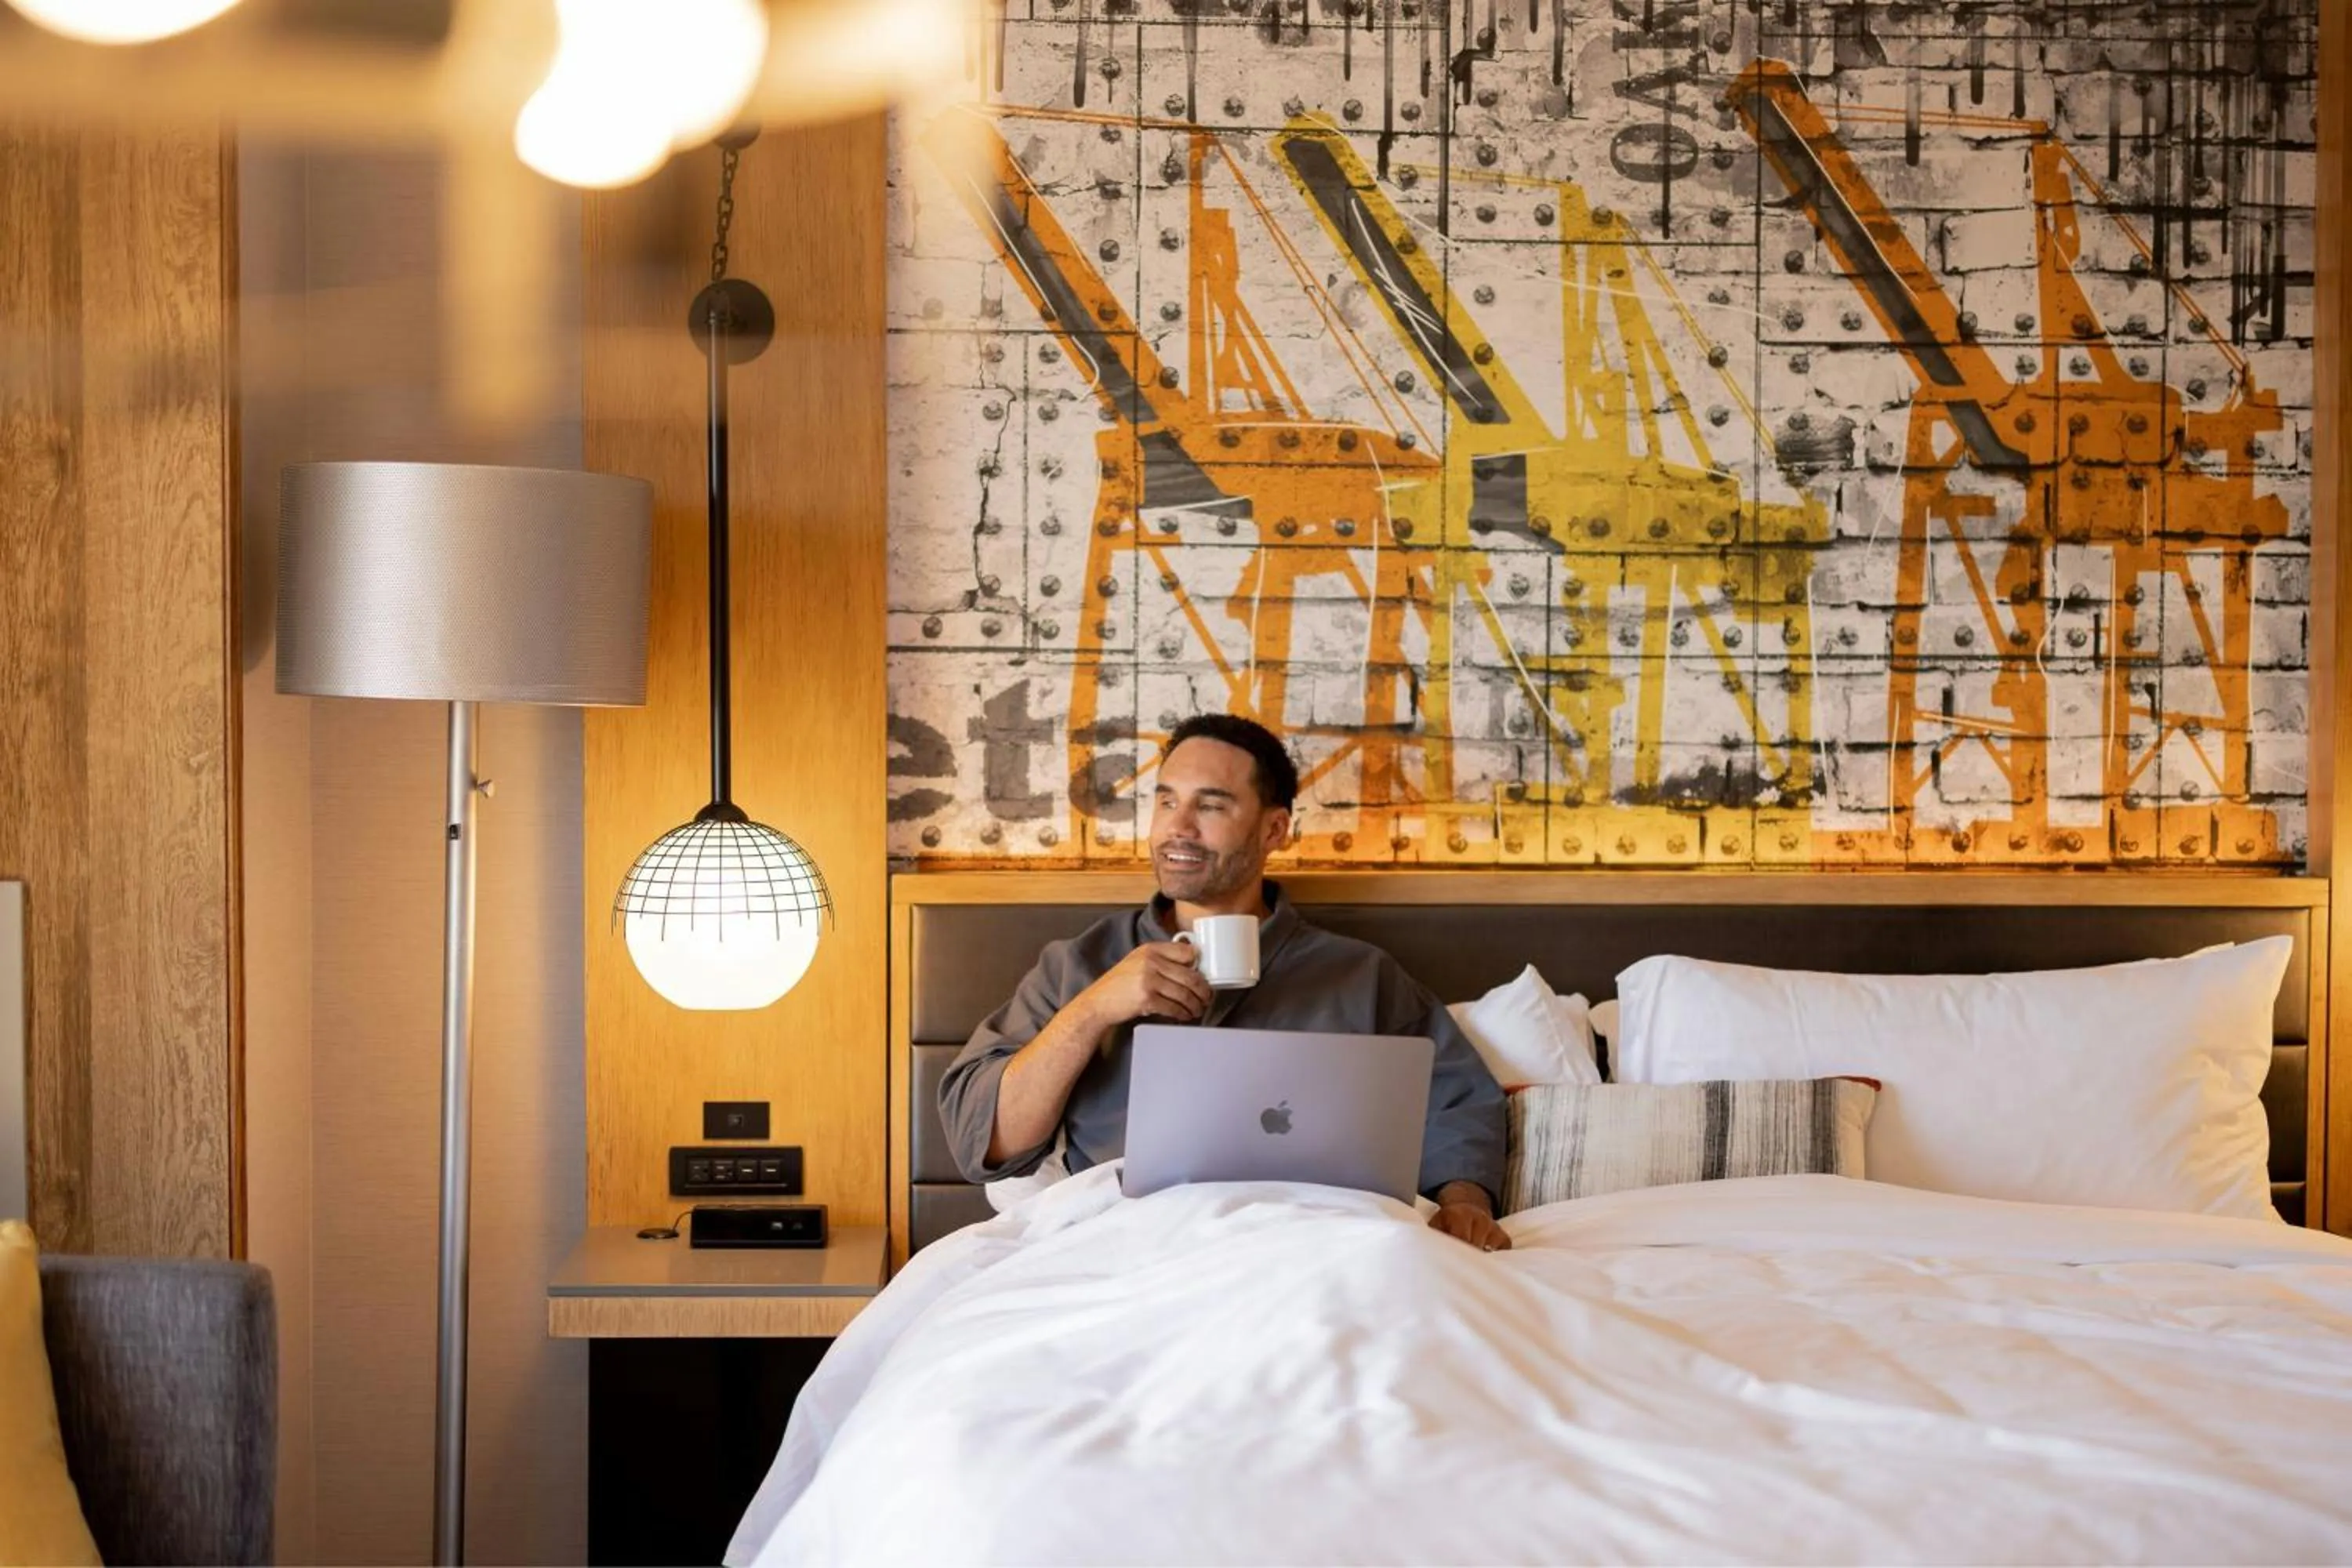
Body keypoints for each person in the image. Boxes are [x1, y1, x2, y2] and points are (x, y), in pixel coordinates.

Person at [938, 713, 1512, 1250]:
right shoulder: (1079, 967)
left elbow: (1455, 1100)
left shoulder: (1360, 976)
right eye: (1166, 801)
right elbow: (984, 1142)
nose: (1178, 828)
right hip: (1127, 1250)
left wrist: (1463, 1201)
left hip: (1314, 1249)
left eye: (1210, 806)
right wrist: (1091, 1011)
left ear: (1275, 830)